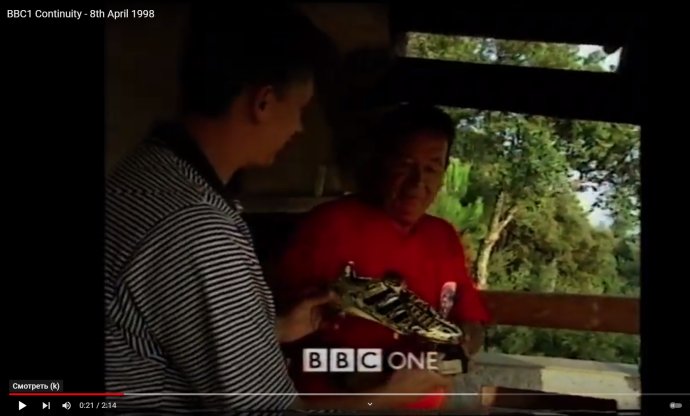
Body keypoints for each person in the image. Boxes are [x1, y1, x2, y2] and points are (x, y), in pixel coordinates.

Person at [104, 6, 448, 413]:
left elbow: (163, 329)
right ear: (264, 102)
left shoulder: (146, 175)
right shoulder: (197, 226)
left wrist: (272, 329)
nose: (299, 128)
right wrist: (387, 396)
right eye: (300, 108)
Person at [276, 103, 492, 410]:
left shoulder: (443, 236)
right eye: (405, 165)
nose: (417, 183)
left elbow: (471, 321)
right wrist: (382, 377)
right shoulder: (329, 226)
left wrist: (461, 346)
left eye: (431, 168)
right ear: (380, 163)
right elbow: (288, 339)